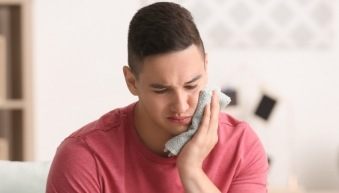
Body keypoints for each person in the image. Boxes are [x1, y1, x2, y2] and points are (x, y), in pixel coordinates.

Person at [46, 2, 268, 193]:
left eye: (191, 85)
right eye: (161, 90)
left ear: (206, 67)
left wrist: (191, 171)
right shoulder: (85, 157)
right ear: (132, 82)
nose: (181, 105)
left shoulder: (241, 146)